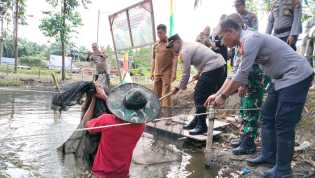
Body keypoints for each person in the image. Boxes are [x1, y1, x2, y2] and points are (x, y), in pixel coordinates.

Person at [205, 18, 314, 178]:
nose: (220, 41)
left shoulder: (250, 39)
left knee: (283, 123)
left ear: (230, 32)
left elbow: (242, 76)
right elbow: (235, 74)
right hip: (279, 79)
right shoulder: (241, 44)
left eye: (221, 37)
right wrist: (217, 94)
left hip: (296, 76)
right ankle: (269, 156)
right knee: (267, 116)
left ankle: (283, 170)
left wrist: (224, 96)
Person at [85, 83, 161, 178]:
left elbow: (86, 125)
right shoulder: (140, 126)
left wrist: (93, 100)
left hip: (101, 173)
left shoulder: (106, 120)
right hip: (123, 174)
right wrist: (104, 97)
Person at [169, 34, 226, 135]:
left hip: (213, 67)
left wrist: (178, 87)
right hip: (217, 67)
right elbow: (204, 59)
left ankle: (201, 125)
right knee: (200, 95)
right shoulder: (189, 45)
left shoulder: (185, 50)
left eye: (172, 46)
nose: (173, 50)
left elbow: (186, 73)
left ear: (177, 42)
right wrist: (199, 74)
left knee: (199, 96)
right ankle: (197, 121)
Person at [228, 11, 264, 155]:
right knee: (244, 109)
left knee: (251, 110)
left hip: (254, 78)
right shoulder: (239, 39)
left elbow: (247, 65)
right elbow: (237, 66)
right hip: (245, 78)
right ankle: (244, 137)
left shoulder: (250, 37)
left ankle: (249, 143)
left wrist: (242, 83)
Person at [151, 24, 178, 107]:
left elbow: (175, 58)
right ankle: (156, 110)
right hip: (157, 72)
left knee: (166, 93)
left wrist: (174, 73)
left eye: (161, 33)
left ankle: (167, 112)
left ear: (165, 32)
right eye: (158, 33)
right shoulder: (155, 45)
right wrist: (151, 72)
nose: (159, 35)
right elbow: (154, 59)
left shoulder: (170, 43)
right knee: (156, 92)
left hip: (167, 72)